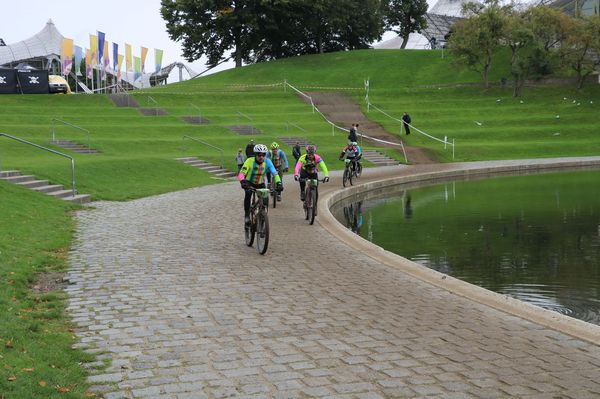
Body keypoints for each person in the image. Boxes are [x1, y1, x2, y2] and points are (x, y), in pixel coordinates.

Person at [238, 144, 282, 225]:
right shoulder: (249, 161)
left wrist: (279, 183)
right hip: (249, 182)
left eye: (263, 155)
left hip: (260, 183)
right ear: (255, 154)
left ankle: (263, 215)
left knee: (265, 199)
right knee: (248, 193)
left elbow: (275, 173)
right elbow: (241, 173)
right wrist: (242, 182)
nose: (261, 157)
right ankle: (247, 215)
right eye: (259, 154)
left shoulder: (268, 162)